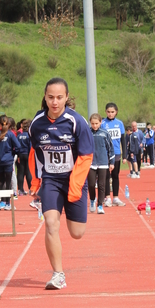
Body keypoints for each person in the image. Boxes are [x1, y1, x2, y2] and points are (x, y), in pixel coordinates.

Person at [29, 77, 93, 290]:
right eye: (50, 97)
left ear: (66, 97)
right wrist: (36, 181)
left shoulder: (77, 121)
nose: (54, 102)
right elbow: (35, 153)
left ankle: (73, 211)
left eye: (59, 97)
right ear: (45, 98)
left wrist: (75, 187)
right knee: (50, 223)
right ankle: (58, 275)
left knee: (77, 233)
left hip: (74, 180)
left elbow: (86, 156)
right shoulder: (37, 124)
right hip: (51, 180)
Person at [0, 115, 21, 210]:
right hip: (7, 161)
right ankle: (7, 203)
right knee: (8, 181)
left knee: (0, 180)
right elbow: (18, 146)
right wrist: (12, 154)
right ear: (8, 123)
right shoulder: (10, 134)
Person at [88, 113, 115, 214]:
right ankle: (92, 200)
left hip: (103, 162)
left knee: (102, 184)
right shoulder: (87, 132)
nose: (94, 125)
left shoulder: (105, 133)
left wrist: (111, 162)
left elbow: (110, 148)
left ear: (100, 123)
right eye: (93, 123)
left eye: (96, 123)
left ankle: (100, 205)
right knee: (91, 184)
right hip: (91, 162)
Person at [101, 103, 126, 207]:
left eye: (112, 112)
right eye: (108, 112)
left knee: (115, 175)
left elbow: (123, 140)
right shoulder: (102, 123)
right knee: (106, 175)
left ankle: (115, 197)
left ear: (116, 112)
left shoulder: (119, 123)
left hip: (116, 153)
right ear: (105, 112)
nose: (110, 114)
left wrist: (125, 155)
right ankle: (107, 197)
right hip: (105, 153)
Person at [16, 119, 32, 195]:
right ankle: (30, 189)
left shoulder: (19, 136)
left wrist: (18, 155)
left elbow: (17, 146)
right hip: (27, 154)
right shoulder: (29, 136)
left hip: (21, 154)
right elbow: (30, 147)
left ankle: (20, 190)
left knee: (21, 172)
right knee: (28, 171)